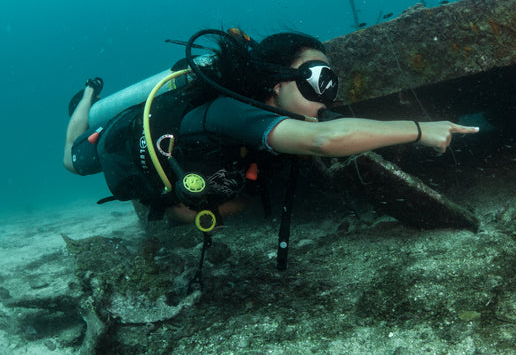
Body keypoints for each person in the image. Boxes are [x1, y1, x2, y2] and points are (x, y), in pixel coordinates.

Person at [63, 29, 479, 229]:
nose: (327, 98)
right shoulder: (231, 112)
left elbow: (326, 129)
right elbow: (325, 140)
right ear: (278, 84)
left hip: (175, 177)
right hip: (117, 142)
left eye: (331, 84)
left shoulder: (267, 116)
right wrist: (420, 130)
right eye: (318, 81)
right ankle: (85, 98)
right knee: (73, 159)